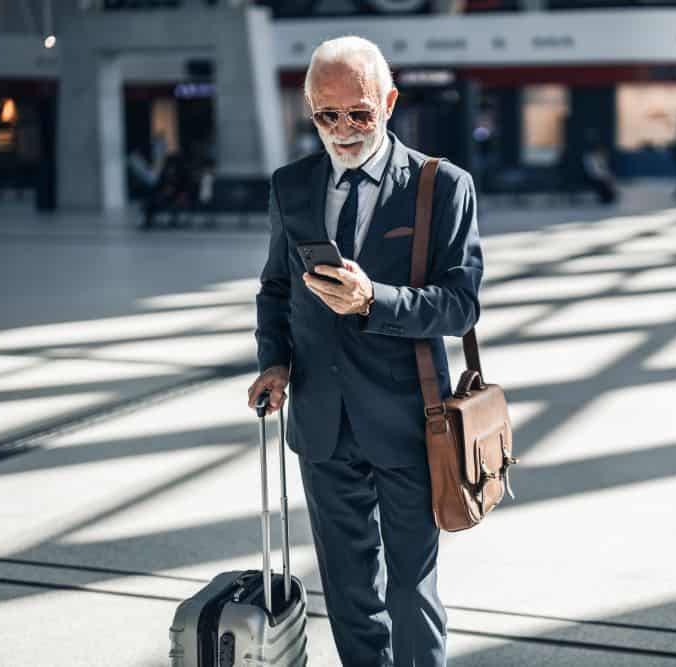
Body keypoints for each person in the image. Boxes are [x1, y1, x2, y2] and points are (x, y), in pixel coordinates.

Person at [246, 36, 482, 667]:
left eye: (359, 113)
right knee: (350, 594)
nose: (343, 129)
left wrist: (372, 300)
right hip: (323, 425)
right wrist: (275, 360)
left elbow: (461, 305)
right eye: (327, 115)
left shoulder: (443, 186)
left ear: (390, 101)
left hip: (411, 422)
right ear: (309, 111)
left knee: (409, 592)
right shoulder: (292, 185)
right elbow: (276, 287)